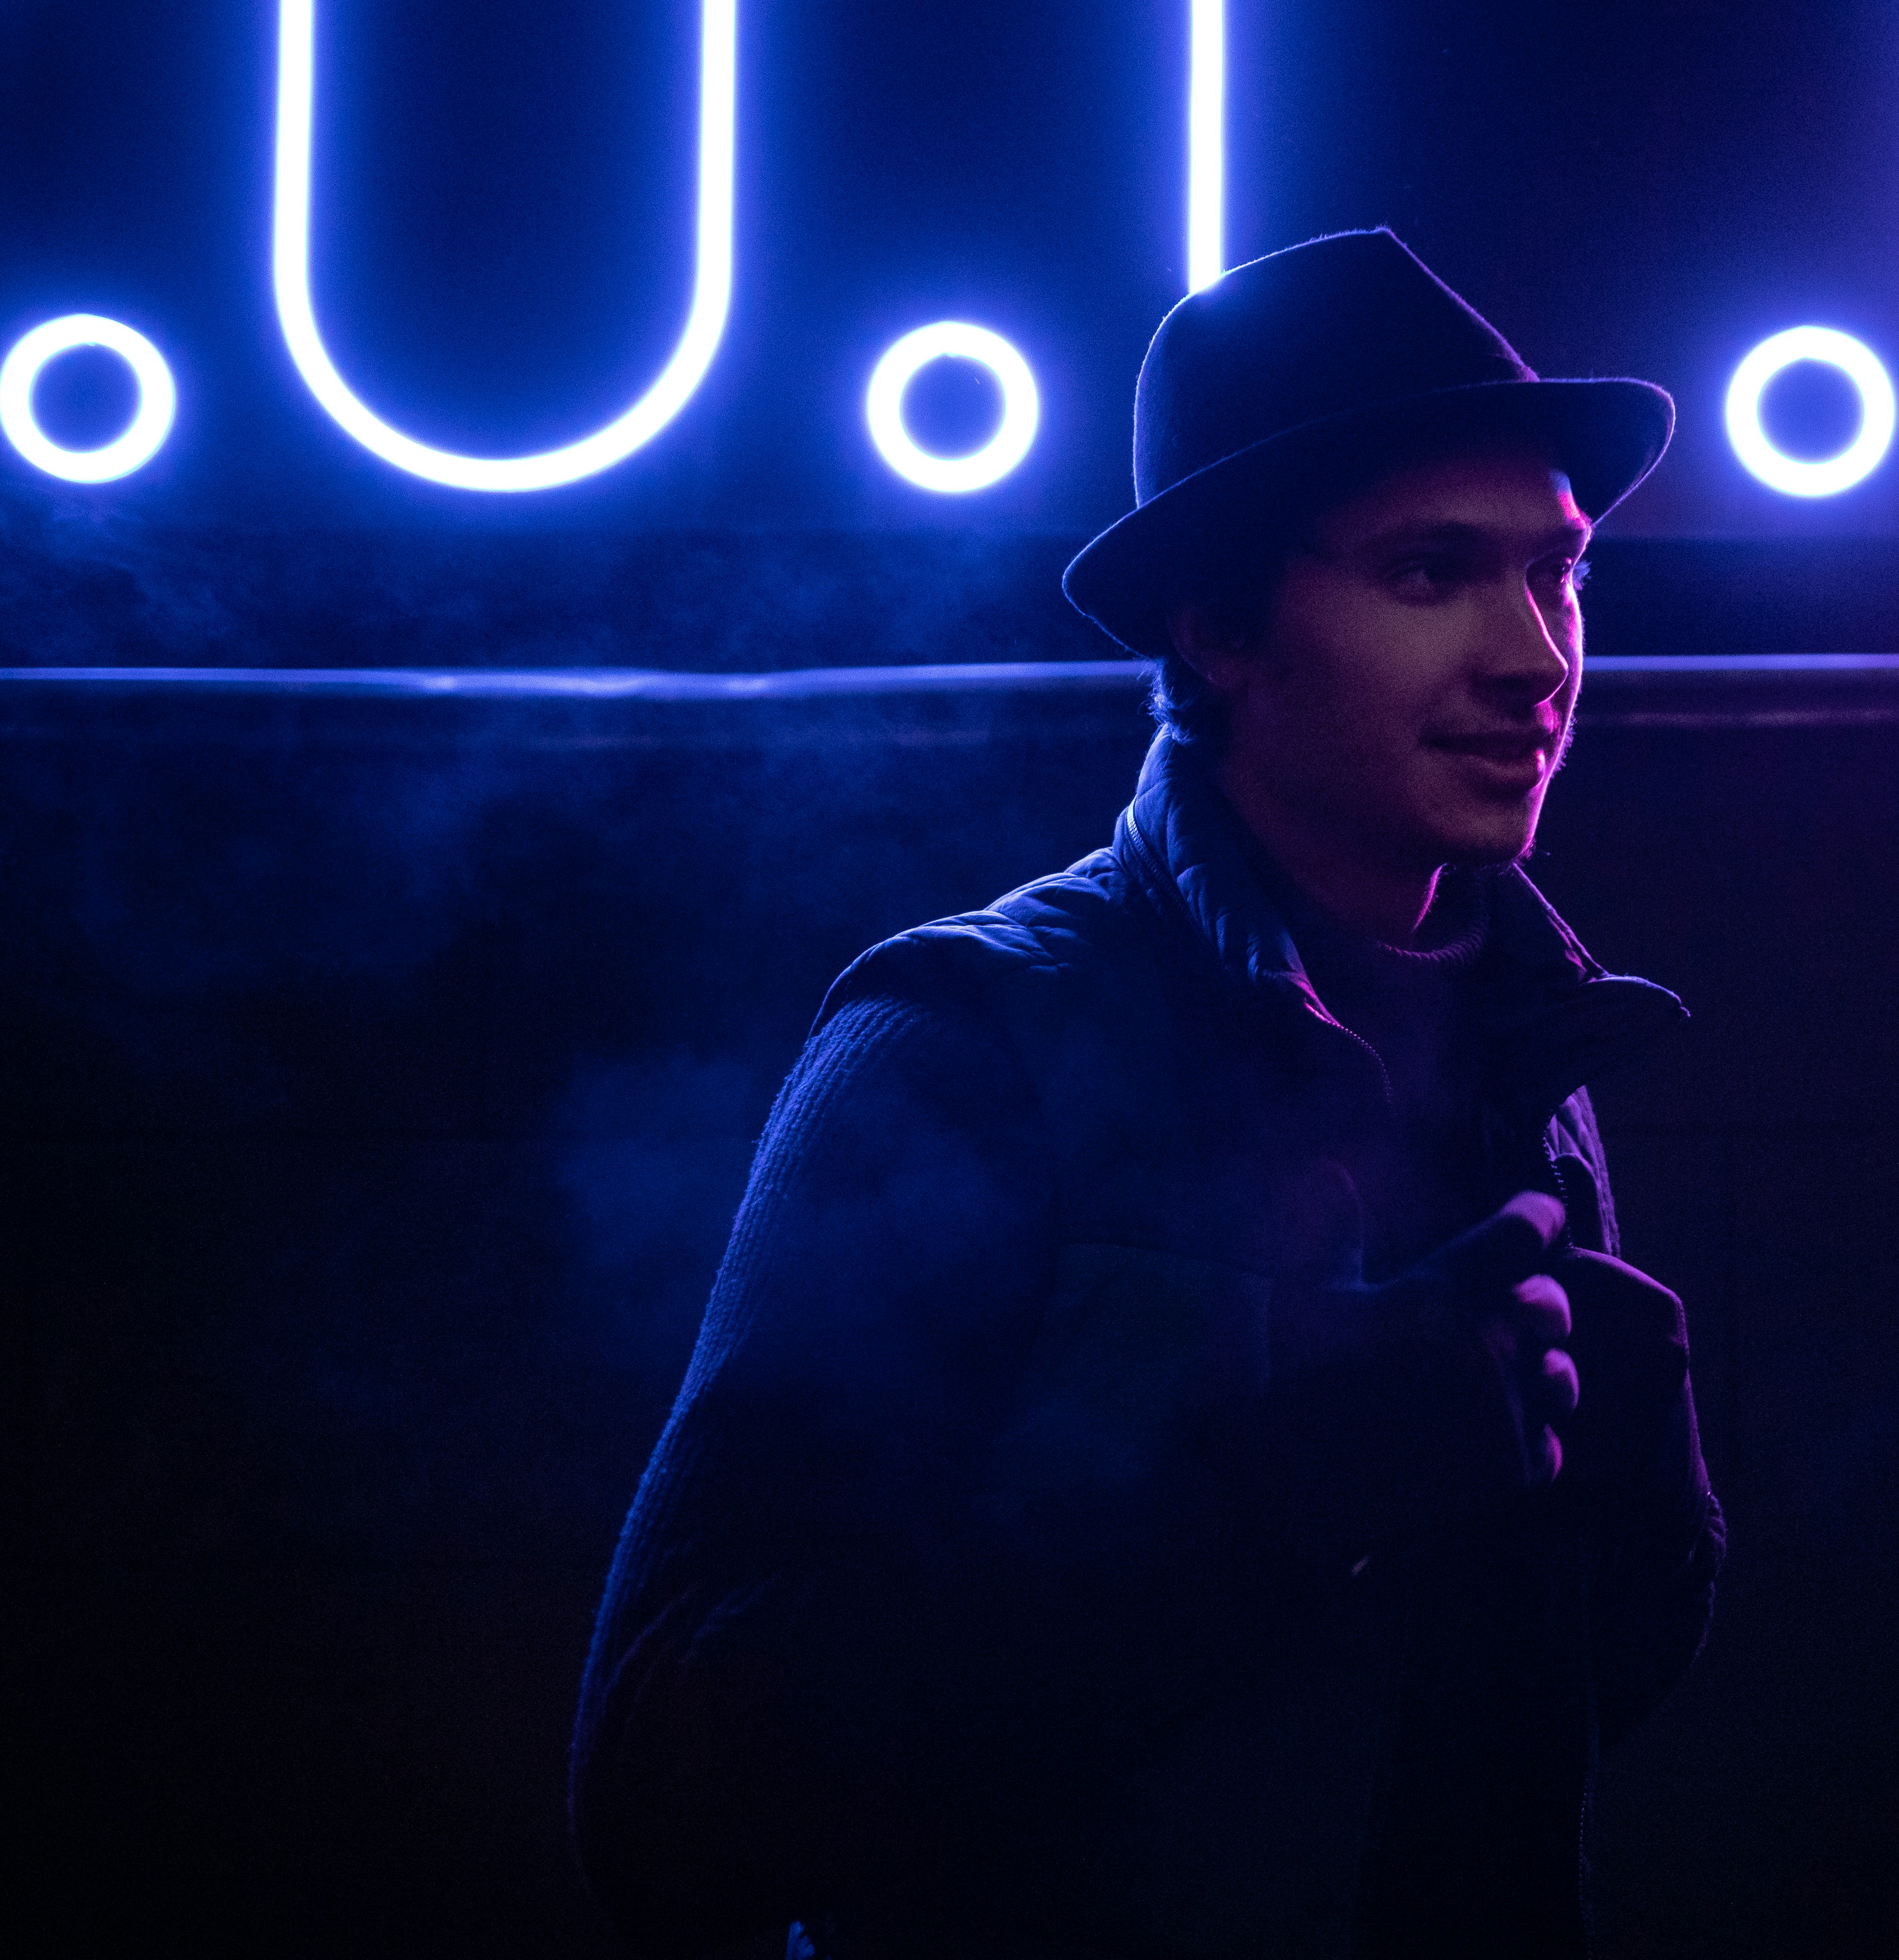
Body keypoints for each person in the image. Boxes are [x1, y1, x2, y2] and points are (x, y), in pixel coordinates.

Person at [572, 229, 1723, 1960]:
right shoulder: (969, 1043)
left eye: (1559, 575)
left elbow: (1490, 1747)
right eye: (1431, 575)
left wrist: (1633, 1508)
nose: (1535, 653)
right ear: (1217, 627)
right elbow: (670, 1785)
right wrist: (1280, 1492)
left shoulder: (1527, 1051)